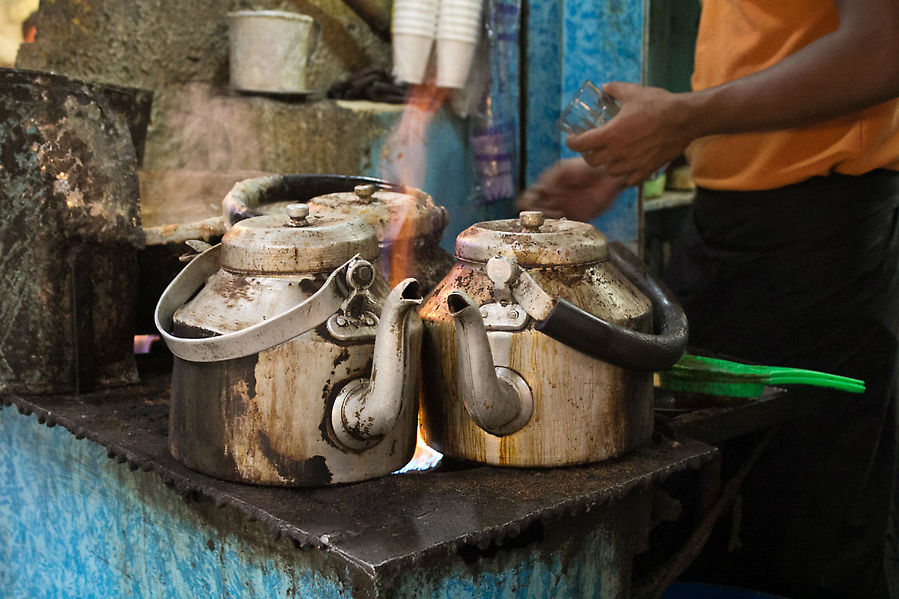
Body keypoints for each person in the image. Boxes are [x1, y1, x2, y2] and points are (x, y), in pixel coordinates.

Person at [519, 1, 899, 598]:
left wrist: (685, 118)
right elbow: (768, 52)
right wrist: (645, 153)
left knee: (801, 520)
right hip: (723, 229)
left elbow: (883, 51)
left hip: (815, 245)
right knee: (701, 507)